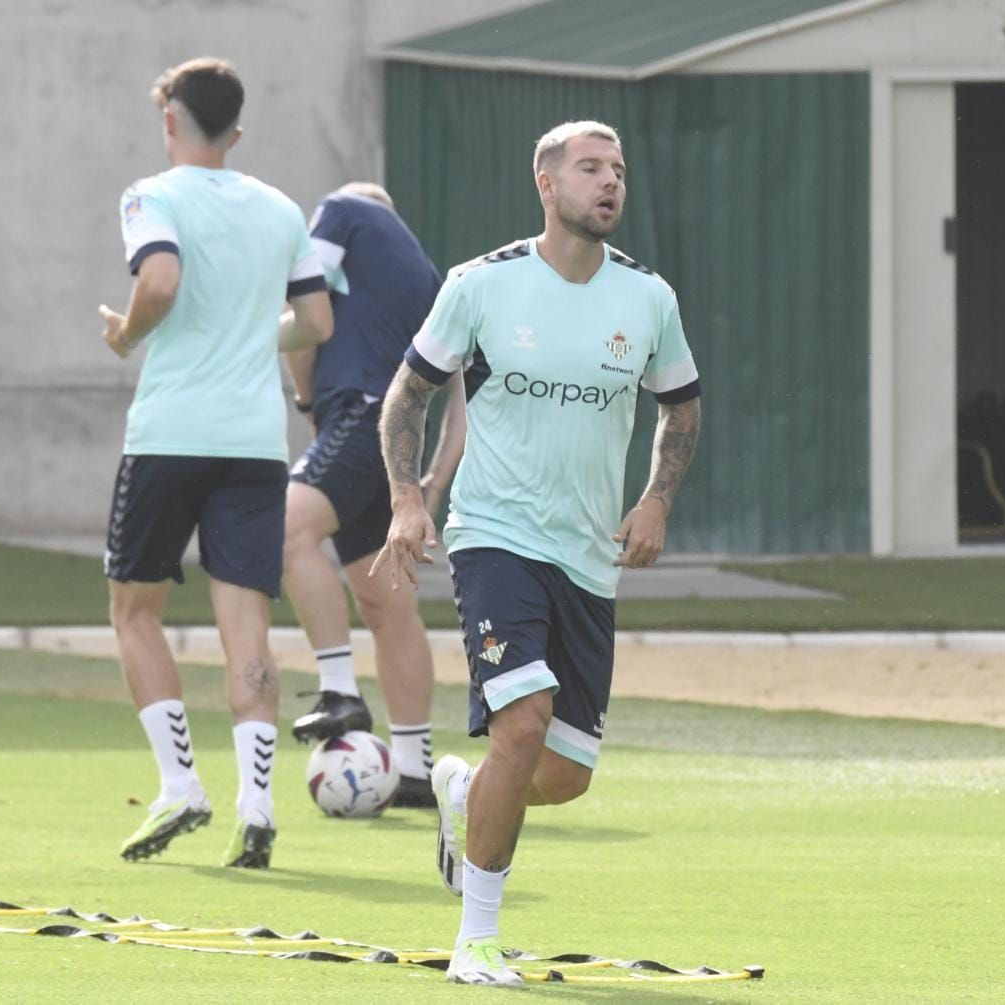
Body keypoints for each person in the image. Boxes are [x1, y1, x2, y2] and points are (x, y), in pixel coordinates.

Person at [371, 120, 702, 985]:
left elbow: (682, 406)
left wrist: (657, 499)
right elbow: (406, 399)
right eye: (591, 168)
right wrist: (409, 500)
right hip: (495, 538)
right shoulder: (481, 285)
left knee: (558, 774)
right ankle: (476, 941)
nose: (610, 182)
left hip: (589, 557)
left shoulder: (649, 299)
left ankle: (458, 789)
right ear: (546, 184)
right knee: (521, 720)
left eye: (619, 169)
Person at [100, 57, 333, 870]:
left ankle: (179, 785)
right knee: (248, 625)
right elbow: (315, 320)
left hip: (170, 434)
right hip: (252, 442)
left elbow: (158, 282)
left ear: (169, 120)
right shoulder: (278, 207)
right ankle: (257, 808)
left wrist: (128, 333)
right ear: (236, 131)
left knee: (135, 610)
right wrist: (244, 334)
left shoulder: (151, 194)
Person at [283, 181, 465, 808]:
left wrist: (306, 402)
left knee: (285, 531)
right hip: (399, 445)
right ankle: (414, 770)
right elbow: (461, 409)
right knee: (387, 604)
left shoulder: (342, 210)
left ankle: (339, 689)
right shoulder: (431, 282)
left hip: (357, 412)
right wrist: (425, 491)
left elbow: (308, 319)